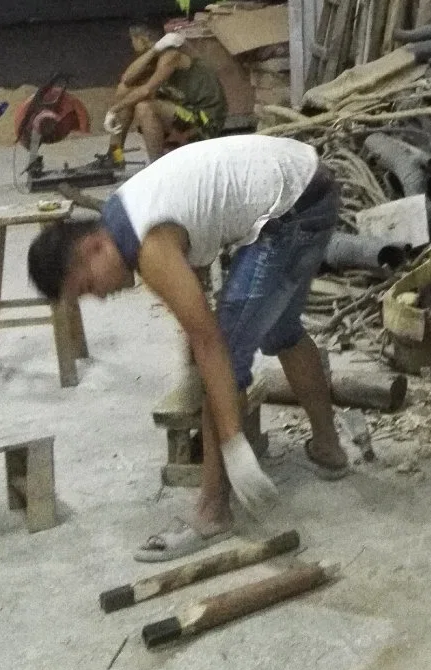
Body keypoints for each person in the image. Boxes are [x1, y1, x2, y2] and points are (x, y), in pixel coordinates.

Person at [27, 133, 350, 561]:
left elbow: (209, 342)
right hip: (308, 183)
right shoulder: (124, 215)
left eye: (89, 285)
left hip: (291, 207)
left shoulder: (146, 242)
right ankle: (328, 450)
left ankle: (213, 510)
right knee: (281, 329)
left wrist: (234, 445)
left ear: (93, 246)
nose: (101, 296)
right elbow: (193, 303)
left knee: (226, 357)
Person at [108, 18, 228, 162]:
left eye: (132, 40)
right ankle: (115, 156)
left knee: (144, 108)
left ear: (141, 40)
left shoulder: (172, 55)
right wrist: (153, 50)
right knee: (124, 91)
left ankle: (157, 166)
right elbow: (126, 80)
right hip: (183, 111)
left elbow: (146, 91)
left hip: (204, 121)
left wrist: (113, 110)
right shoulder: (155, 55)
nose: (132, 45)